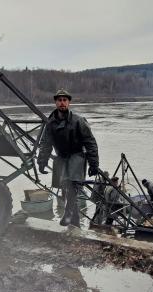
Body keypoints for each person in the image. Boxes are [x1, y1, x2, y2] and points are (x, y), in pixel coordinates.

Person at [37, 89, 100, 227]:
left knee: (71, 184)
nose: (62, 103)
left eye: (65, 100)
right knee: (65, 188)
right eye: (59, 100)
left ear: (69, 103)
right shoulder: (50, 123)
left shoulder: (78, 121)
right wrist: (42, 161)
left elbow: (90, 142)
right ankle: (75, 223)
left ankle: (67, 213)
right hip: (61, 157)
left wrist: (93, 164)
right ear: (55, 103)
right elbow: (46, 144)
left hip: (76, 155)